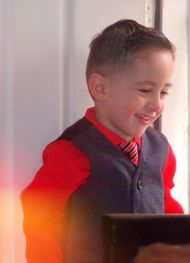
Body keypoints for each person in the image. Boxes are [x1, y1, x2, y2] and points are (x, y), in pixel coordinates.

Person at [21, 19, 184, 263]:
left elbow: (165, 203)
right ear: (100, 88)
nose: (156, 104)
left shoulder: (161, 149)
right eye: (145, 90)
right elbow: (40, 219)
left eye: (163, 92)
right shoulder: (71, 152)